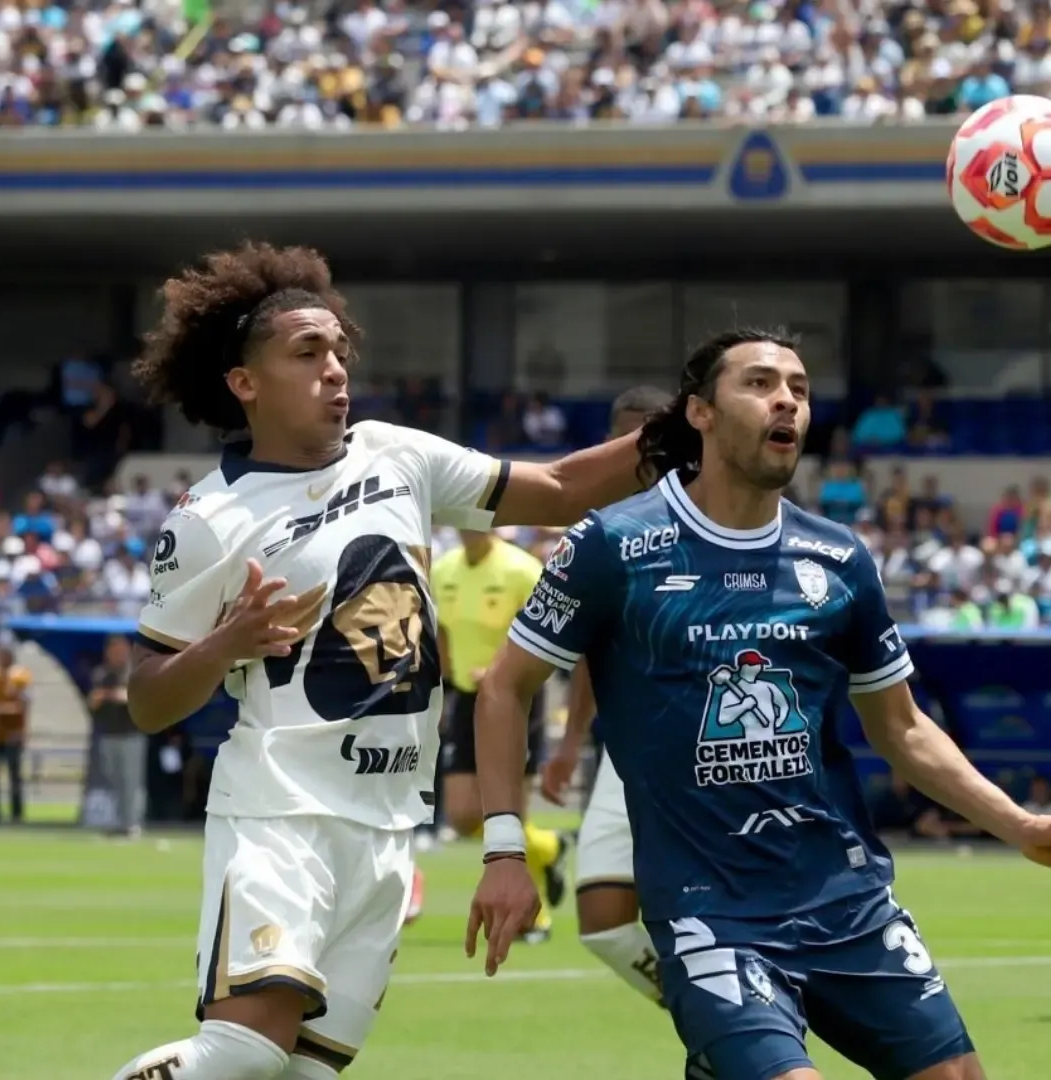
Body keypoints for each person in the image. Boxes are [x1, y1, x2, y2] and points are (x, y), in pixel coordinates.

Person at [468, 329, 1051, 1080]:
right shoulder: (614, 545)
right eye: (762, 383)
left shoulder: (837, 557)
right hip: (711, 909)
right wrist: (505, 851)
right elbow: (505, 687)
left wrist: (1020, 823)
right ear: (700, 413)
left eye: (799, 390)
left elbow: (900, 727)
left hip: (846, 898)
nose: (787, 403)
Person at [108, 242, 647, 1080]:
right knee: (244, 1052)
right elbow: (145, 699)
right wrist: (227, 643)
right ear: (244, 384)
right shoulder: (210, 520)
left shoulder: (397, 453)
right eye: (306, 353)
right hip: (282, 815)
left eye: (338, 352)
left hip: (392, 824)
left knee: (304, 1073)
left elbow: (565, 488)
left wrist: (694, 423)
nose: (334, 370)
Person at [536, 384, 673, 1006]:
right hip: (625, 748)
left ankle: (745, 1041)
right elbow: (591, 649)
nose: (639, 454)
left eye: (651, 438)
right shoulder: (599, 533)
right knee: (607, 927)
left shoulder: (715, 515)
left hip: (701, 746)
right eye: (627, 440)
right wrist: (569, 743)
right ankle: (723, 1026)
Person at [430, 525, 567, 942]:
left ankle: (534, 917)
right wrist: (443, 679)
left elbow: (549, 636)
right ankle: (549, 849)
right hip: (466, 696)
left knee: (511, 811)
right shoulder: (443, 568)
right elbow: (440, 630)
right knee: (463, 813)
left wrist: (503, 671)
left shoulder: (522, 569)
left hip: (515, 696)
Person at [90, 634, 146, 839]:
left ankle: (132, 824)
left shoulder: (133, 672)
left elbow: (131, 698)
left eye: (121, 649)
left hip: (131, 735)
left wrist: (111, 695)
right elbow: (94, 700)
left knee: (130, 781)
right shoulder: (102, 673)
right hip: (108, 734)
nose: (118, 654)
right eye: (114, 649)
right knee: (113, 779)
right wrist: (110, 695)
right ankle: (119, 822)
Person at [0, 639, 32, 825]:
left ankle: (16, 813)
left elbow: (23, 705)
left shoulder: (21, 677)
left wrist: (1, 710)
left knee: (14, 774)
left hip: (13, 731)